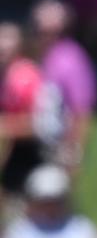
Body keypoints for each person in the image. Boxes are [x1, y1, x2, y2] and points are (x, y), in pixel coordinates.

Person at [29, 0, 97, 177]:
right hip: (31, 147)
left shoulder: (71, 59)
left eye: (52, 32)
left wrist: (73, 157)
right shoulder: (34, 56)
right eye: (39, 31)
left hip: (57, 146)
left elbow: (81, 111)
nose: (44, 37)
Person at [0, 22, 45, 222]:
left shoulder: (24, 75)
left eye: (8, 38)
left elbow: (37, 122)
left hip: (30, 158)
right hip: (16, 156)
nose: (2, 44)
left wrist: (4, 126)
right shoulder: (8, 74)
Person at [2, 163, 97, 238]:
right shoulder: (19, 231)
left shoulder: (81, 229)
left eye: (54, 201)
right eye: (43, 202)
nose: (49, 207)